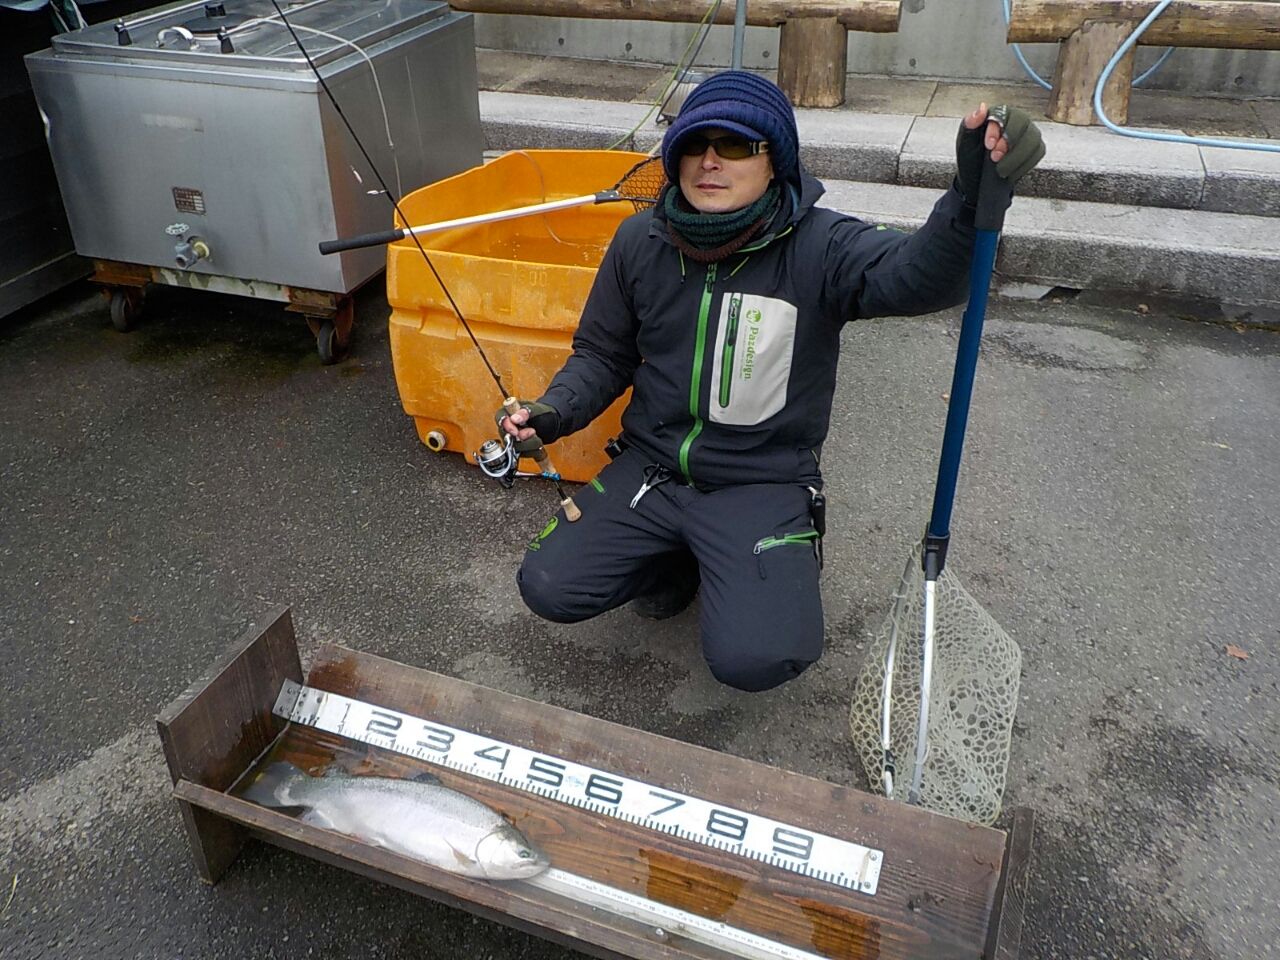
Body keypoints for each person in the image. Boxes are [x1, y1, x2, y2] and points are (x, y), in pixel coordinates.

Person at [500, 71, 1044, 692]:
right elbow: (602, 353)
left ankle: (770, 560)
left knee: (757, 658)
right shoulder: (638, 239)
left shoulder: (822, 245)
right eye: (692, 145)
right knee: (547, 585)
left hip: (761, 480)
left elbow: (921, 275)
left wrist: (970, 200)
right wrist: (553, 409)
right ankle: (671, 564)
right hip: (652, 467)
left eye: (733, 146)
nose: (709, 161)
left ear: (774, 161)